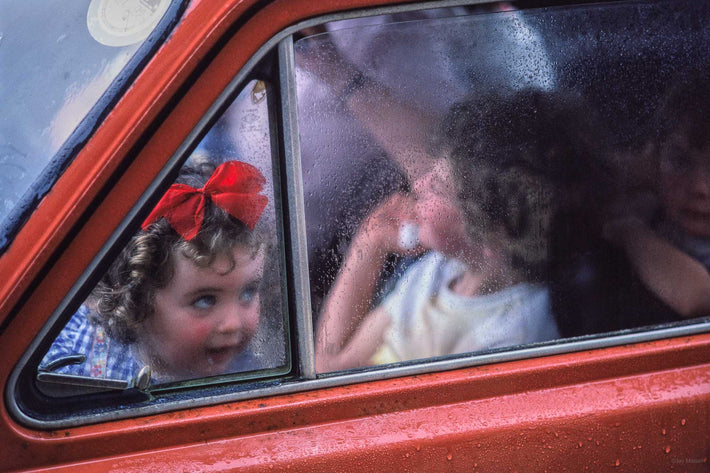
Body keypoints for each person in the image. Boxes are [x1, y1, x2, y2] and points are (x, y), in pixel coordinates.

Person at [315, 90, 579, 373]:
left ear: (494, 230)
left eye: (438, 187)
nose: (417, 187)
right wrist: (371, 241)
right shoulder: (438, 272)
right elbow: (331, 366)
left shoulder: (515, 336)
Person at [41, 158, 271, 383]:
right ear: (138, 302)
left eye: (247, 293)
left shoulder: (259, 367)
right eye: (205, 300)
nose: (232, 323)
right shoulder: (66, 365)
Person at [603, 73, 710, 319]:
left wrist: (631, 233)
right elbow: (600, 175)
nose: (699, 188)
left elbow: (701, 300)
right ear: (654, 161)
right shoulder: (651, 214)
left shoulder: (636, 231)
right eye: (680, 161)